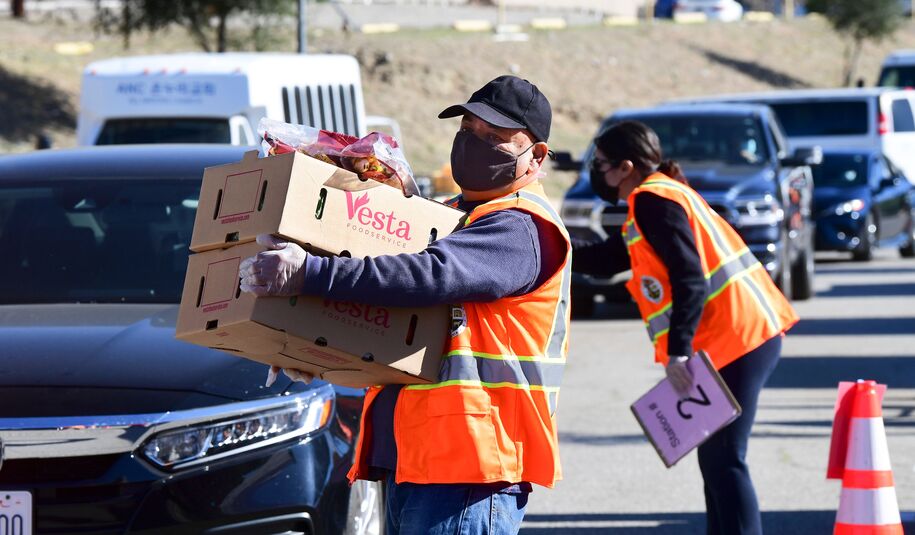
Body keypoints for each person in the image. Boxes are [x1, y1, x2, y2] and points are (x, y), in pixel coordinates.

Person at [238, 75, 572, 535]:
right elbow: (395, 323)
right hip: (415, 458)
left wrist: (307, 275)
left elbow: (428, 276)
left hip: (472, 469)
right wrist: (308, 350)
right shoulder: (449, 216)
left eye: (494, 138)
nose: (474, 144)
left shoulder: (520, 228)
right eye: (468, 131)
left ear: (535, 156)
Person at [574, 121, 798, 535]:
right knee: (715, 459)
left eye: (601, 164)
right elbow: (610, 257)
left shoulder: (653, 200)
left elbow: (690, 278)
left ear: (626, 167)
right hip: (738, 336)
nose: (597, 173)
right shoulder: (661, 195)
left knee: (725, 458)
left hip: (738, 338)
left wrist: (678, 350)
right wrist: (551, 244)